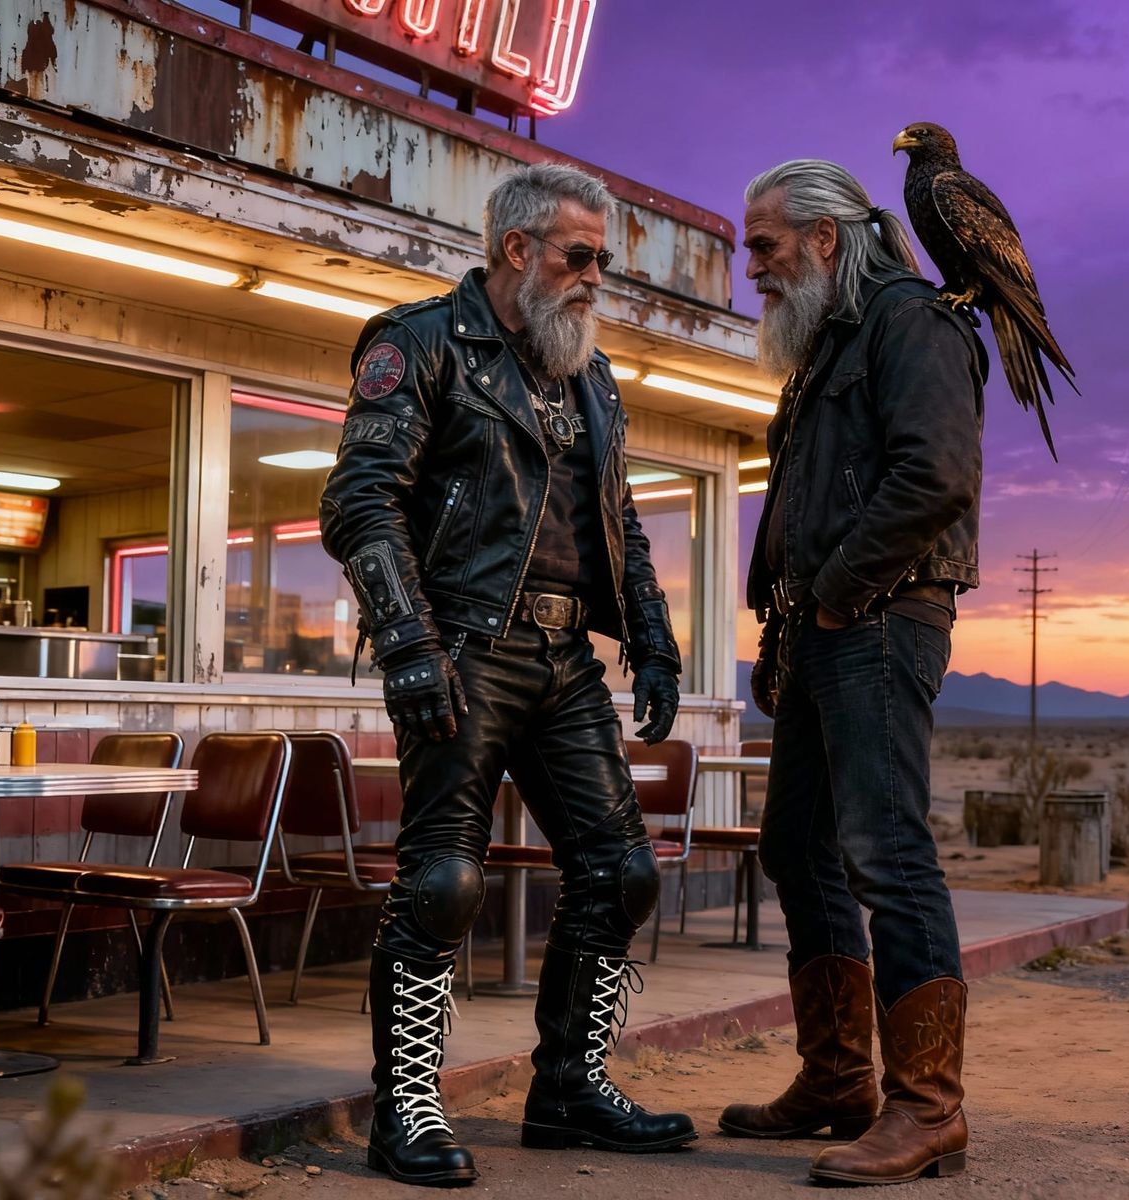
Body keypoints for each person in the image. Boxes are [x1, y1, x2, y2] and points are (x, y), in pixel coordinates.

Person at [319, 162, 695, 1188]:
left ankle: (567, 1090)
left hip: (565, 656)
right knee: (443, 880)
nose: (593, 281)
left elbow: (618, 526)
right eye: (578, 259)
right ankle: (406, 1110)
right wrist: (407, 644)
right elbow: (359, 502)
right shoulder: (422, 344)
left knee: (621, 872)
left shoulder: (591, 376)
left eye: (600, 264)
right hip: (462, 646)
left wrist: (654, 643)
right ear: (518, 251)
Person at [719, 160, 987, 1185]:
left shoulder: (908, 320)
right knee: (797, 847)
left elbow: (935, 474)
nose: (754, 268)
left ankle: (927, 1108)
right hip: (824, 628)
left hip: (879, 619)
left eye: (765, 245)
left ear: (826, 239)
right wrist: (789, 624)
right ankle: (836, 1081)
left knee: (887, 854)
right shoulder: (830, 340)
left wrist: (832, 592)